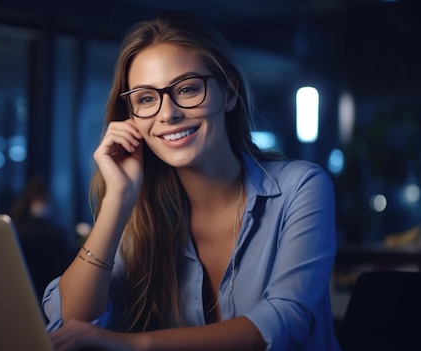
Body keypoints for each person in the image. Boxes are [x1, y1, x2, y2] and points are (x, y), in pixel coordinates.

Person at [43, 12, 341, 351]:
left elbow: (287, 321)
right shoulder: (139, 210)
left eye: (187, 89)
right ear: (131, 118)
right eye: (145, 98)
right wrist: (117, 200)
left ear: (229, 93)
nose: (167, 113)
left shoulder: (301, 187)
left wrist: (135, 345)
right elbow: (71, 322)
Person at [11, 179, 74, 303]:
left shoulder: (19, 229)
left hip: (45, 288)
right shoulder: (53, 233)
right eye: (37, 201)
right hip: (36, 286)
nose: (41, 205)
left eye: (42, 201)